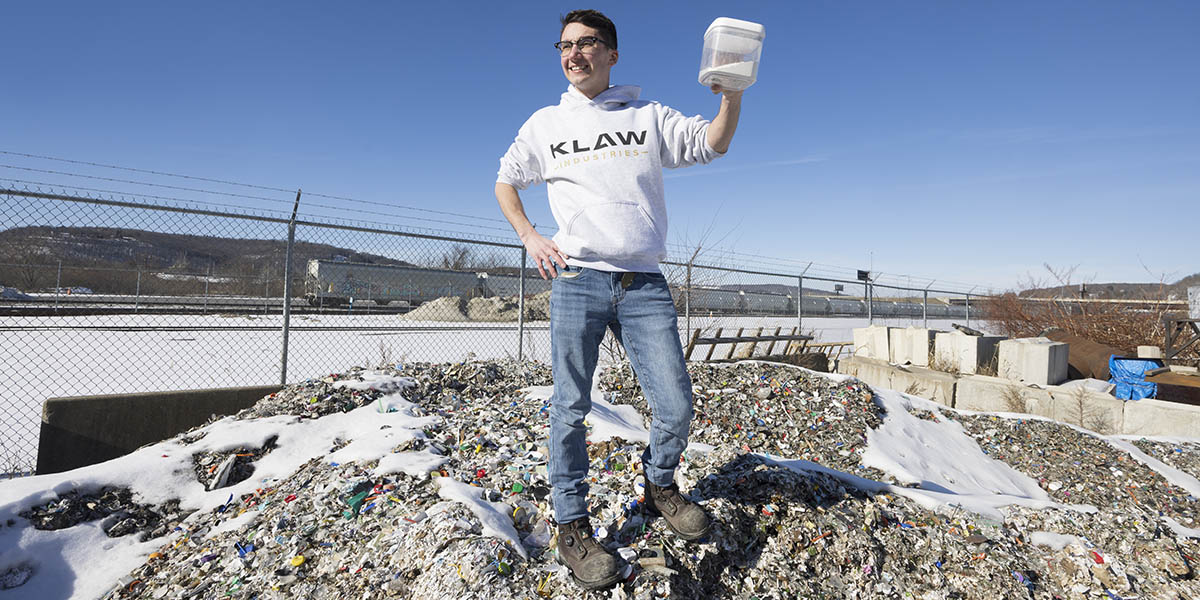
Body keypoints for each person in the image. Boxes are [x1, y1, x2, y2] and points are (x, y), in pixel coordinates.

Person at [494, 9, 744, 590]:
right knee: (569, 408)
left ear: (612, 54)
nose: (574, 54)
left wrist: (732, 95)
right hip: (577, 280)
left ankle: (658, 485)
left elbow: (712, 142)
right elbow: (505, 180)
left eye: (587, 44)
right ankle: (573, 527)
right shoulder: (545, 124)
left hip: (642, 283)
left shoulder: (646, 116)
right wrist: (530, 235)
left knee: (676, 404)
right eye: (565, 45)